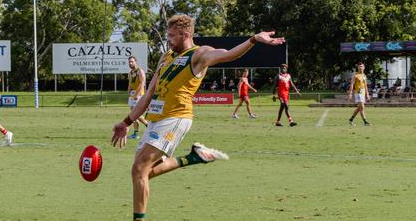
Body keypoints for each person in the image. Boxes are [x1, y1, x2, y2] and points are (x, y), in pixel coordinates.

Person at [110, 14, 285, 221]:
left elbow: (229, 54)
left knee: (139, 169)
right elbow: (148, 94)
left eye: (172, 36)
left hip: (176, 117)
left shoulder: (199, 54)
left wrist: (254, 39)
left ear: (186, 34)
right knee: (143, 174)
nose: (168, 40)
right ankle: (194, 157)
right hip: (157, 118)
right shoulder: (166, 57)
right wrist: (126, 122)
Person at [127, 56, 149, 139]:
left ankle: (148, 126)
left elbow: (142, 83)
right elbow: (130, 83)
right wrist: (129, 91)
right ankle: (136, 134)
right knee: (133, 115)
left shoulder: (140, 71)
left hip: (138, 95)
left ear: (135, 62)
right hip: (132, 95)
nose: (130, 63)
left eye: (132, 61)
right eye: (129, 62)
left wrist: (137, 94)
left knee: (135, 114)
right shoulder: (130, 73)